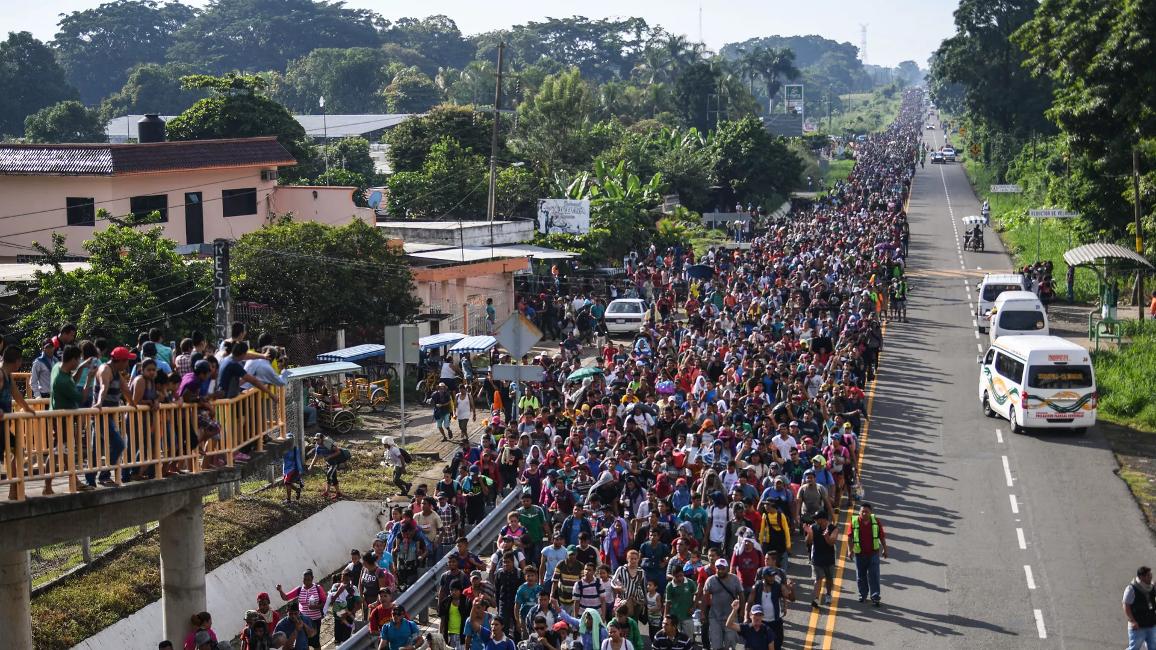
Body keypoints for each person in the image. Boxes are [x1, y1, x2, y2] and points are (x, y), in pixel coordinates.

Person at [845, 503, 887, 606]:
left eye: (866, 511)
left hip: (873, 554)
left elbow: (881, 537)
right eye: (862, 511)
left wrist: (885, 549)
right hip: (859, 555)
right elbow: (849, 538)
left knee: (874, 576)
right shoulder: (854, 522)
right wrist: (850, 550)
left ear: (870, 512)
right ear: (859, 512)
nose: (864, 513)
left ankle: (875, 596)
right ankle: (862, 595)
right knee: (860, 576)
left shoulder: (876, 522)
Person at [277, 570, 326, 649]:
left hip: (314, 619)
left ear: (312, 578)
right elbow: (286, 597)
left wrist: (315, 607)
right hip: (302, 620)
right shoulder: (299, 589)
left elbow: (325, 602)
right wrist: (280, 590)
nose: (306, 582)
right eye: (304, 579)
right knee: (304, 640)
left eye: (308, 579)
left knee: (315, 641)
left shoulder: (318, 588)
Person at [700, 559, 742, 650]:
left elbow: (741, 595)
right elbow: (704, 597)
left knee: (730, 645)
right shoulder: (710, 580)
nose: (720, 570)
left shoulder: (734, 579)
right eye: (718, 568)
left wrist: (742, 612)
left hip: (731, 618)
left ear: (727, 568)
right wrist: (702, 613)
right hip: (715, 617)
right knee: (716, 646)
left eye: (722, 568)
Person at [805, 510, 838, 608]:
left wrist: (826, 536)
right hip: (816, 557)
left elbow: (831, 543)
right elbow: (808, 542)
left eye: (817, 519)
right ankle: (816, 598)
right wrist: (810, 533)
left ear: (823, 519)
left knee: (829, 578)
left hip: (829, 557)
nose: (815, 520)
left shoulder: (833, 528)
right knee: (818, 578)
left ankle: (828, 594)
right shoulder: (813, 527)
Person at [309, 432, 350, 500]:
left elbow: (338, 451)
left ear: (322, 439)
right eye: (315, 439)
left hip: (334, 463)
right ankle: (338, 493)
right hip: (329, 464)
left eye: (318, 439)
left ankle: (327, 492)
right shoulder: (318, 447)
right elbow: (315, 457)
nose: (316, 441)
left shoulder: (328, 445)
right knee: (333, 478)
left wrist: (329, 456)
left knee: (329, 475)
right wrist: (311, 466)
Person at [1124, 566, 1156, 650]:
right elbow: (1126, 605)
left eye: (1151, 575)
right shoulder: (1131, 589)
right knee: (1134, 648)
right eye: (1148, 576)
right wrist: (1132, 621)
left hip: (1151, 624)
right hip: (1138, 626)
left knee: (1153, 647)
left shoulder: (1152, 587)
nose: (1151, 577)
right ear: (1142, 577)